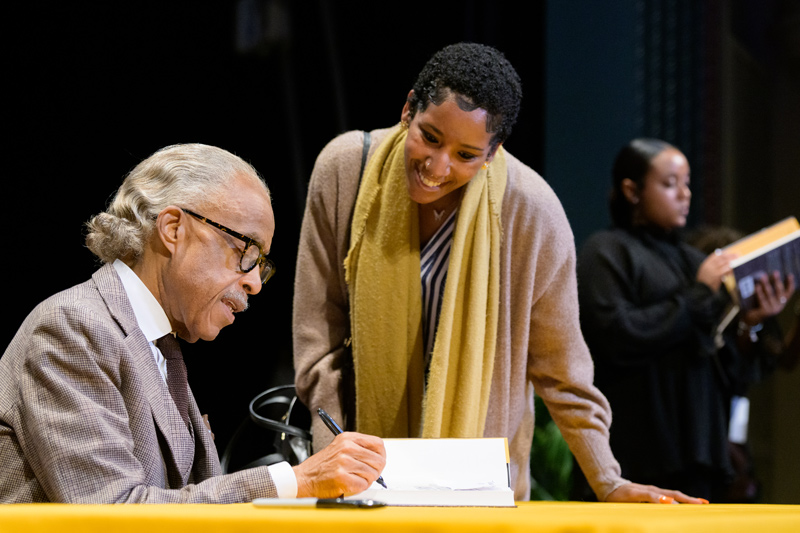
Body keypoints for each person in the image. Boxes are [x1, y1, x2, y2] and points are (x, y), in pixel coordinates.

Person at [292, 43, 701, 503]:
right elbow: (319, 339)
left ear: (493, 152)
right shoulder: (346, 170)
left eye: (466, 154)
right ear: (408, 109)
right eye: (429, 137)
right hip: (359, 482)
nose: (437, 166)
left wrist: (609, 480)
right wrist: (335, 456)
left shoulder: (533, 212)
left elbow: (563, 371)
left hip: (479, 494)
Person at [0, 143, 386, 503]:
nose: (254, 281)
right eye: (245, 249)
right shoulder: (73, 328)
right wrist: (293, 480)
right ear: (173, 229)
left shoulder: (160, 344)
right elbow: (111, 510)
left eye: (261, 263)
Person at [576, 139, 795, 501]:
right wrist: (699, 296)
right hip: (636, 452)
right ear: (632, 190)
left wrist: (749, 324)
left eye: (687, 182)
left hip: (698, 452)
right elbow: (614, 337)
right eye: (670, 183)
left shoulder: (693, 261)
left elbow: (723, 369)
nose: (685, 194)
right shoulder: (606, 251)